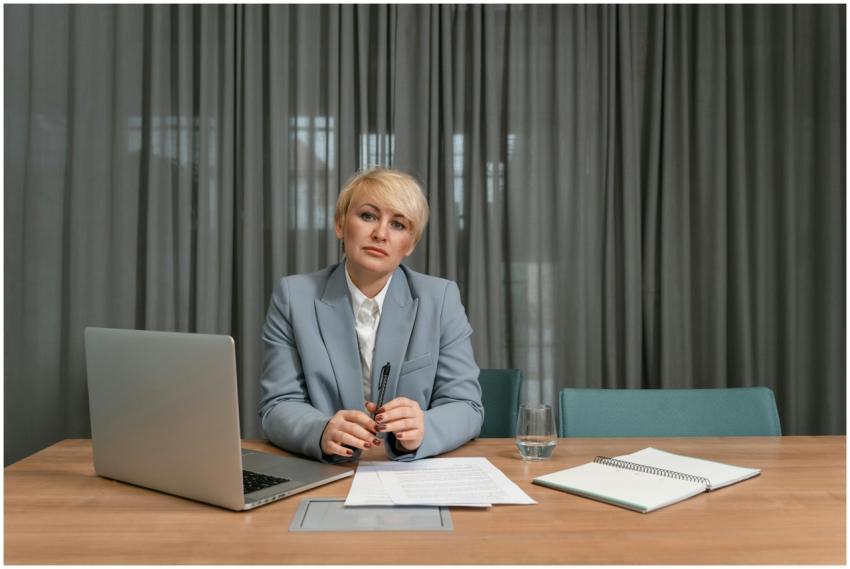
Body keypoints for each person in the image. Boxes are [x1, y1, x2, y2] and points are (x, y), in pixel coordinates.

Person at [258, 167, 484, 463]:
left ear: (411, 243)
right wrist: (321, 430)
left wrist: (422, 429)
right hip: (325, 472)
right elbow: (277, 405)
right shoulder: (293, 297)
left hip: (408, 476)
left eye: (399, 225)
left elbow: (467, 406)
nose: (380, 234)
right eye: (368, 216)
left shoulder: (440, 299)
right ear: (340, 224)